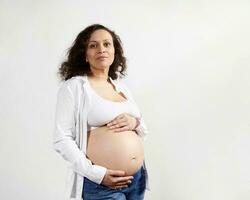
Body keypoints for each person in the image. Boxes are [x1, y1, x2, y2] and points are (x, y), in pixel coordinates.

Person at [53, 24, 149, 200]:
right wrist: (97, 174)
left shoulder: (122, 88)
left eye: (107, 44)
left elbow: (142, 127)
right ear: (85, 54)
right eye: (93, 45)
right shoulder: (74, 87)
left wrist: (134, 122)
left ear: (114, 51)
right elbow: (61, 139)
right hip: (101, 184)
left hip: (136, 180)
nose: (101, 49)